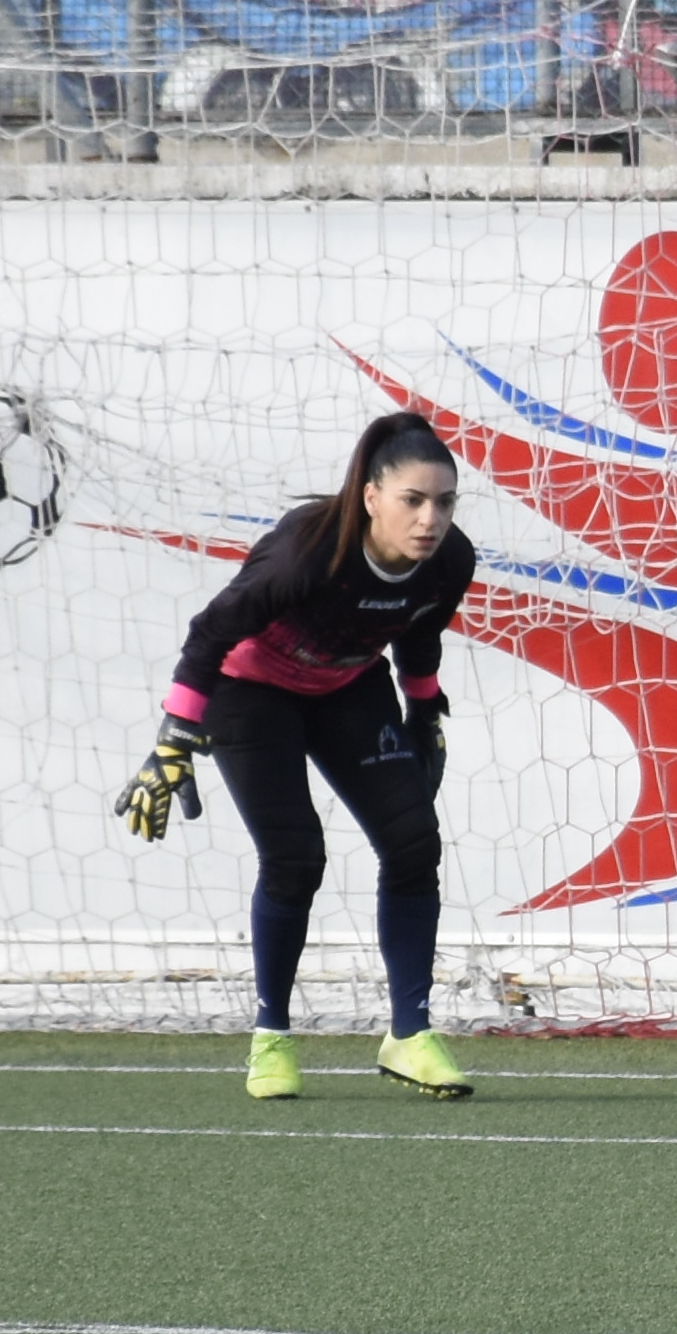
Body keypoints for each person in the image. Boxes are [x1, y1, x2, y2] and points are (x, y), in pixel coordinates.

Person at [119, 408, 478, 1102]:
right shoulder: (307, 553)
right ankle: (272, 1041)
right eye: (412, 500)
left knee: (413, 844)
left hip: (347, 685)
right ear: (371, 497)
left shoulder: (451, 559)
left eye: (443, 501)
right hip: (248, 693)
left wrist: (425, 709)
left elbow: (419, 632)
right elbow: (209, 635)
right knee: (296, 860)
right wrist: (173, 742)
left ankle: (410, 1036)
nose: (429, 519)